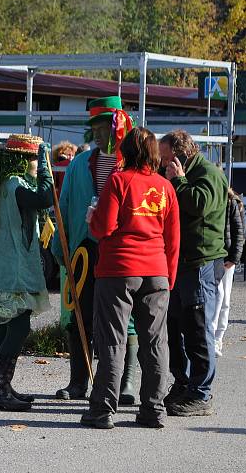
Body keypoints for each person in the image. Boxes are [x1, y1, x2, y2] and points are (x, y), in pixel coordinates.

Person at [79, 127, 180, 429]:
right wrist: (168, 277)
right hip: (156, 270)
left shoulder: (118, 181)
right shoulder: (165, 187)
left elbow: (104, 227)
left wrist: (92, 219)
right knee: (155, 341)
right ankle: (153, 409)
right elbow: (173, 239)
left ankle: (102, 409)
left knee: (112, 339)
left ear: (126, 151)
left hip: (118, 268)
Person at [50, 96, 137, 403]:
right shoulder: (78, 165)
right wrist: (61, 245)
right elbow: (65, 206)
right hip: (85, 250)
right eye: (95, 129)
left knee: (124, 319)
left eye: (103, 128)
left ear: (117, 127)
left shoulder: (131, 164)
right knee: (81, 316)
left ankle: (124, 384)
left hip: (120, 251)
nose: (98, 135)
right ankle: (77, 383)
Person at [0, 134, 53, 412]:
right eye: (31, 159)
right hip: (12, 270)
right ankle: (1, 391)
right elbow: (43, 198)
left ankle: (1, 389)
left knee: (5, 326)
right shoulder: (14, 184)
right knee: (17, 327)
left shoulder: (5, 184)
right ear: (22, 160)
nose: (33, 164)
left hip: (5, 268)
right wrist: (45, 166)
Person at [159, 130, 227, 416]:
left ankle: (201, 392)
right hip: (181, 262)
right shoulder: (177, 174)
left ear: (181, 156)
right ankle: (183, 382)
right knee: (176, 327)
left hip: (201, 262)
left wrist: (179, 180)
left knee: (198, 330)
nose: (162, 165)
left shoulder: (207, 173)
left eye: (165, 160)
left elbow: (198, 205)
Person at [210, 187, 245, 357]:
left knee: (224, 299)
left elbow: (239, 231)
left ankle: (217, 338)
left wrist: (234, 257)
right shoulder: (209, 198)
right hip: (212, 256)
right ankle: (210, 336)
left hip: (226, 257)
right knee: (217, 295)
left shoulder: (232, 202)